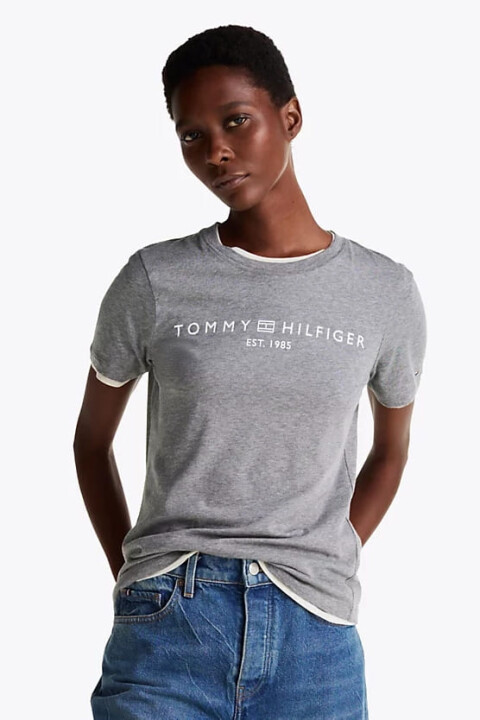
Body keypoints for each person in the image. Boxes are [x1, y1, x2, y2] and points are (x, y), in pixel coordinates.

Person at [74, 24, 427, 719]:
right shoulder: (155, 279)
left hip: (315, 639)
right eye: (192, 136)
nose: (216, 151)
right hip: (167, 623)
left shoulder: (384, 291)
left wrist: (327, 554)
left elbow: (392, 452)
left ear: (289, 117)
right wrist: (139, 576)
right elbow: (91, 443)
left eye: (235, 121)